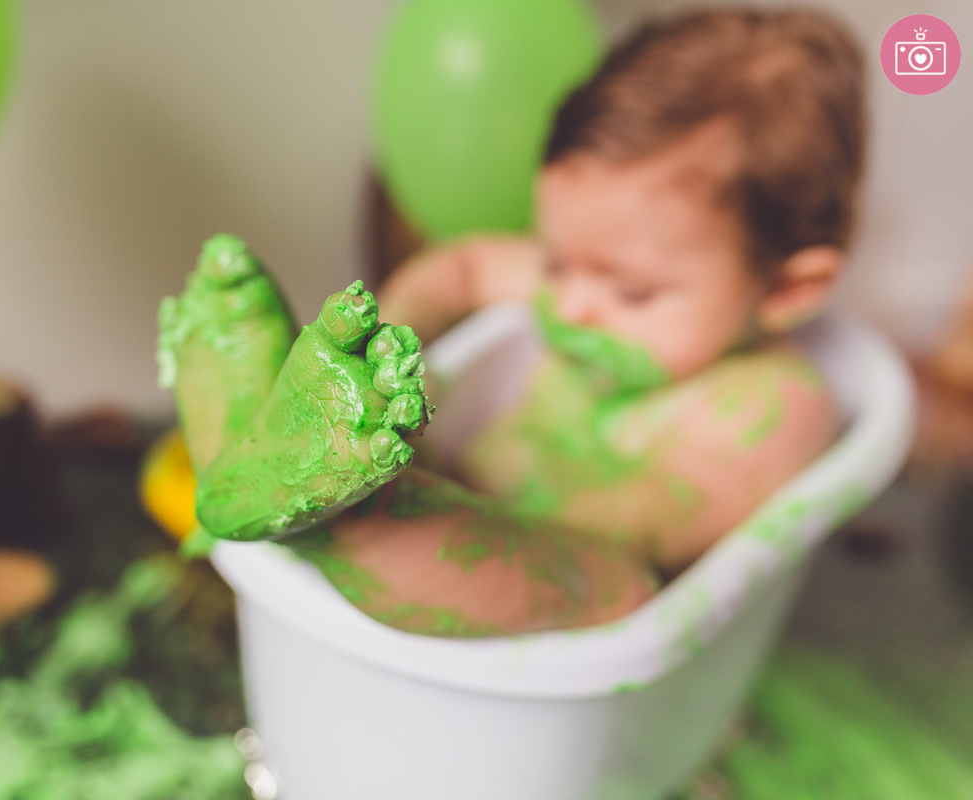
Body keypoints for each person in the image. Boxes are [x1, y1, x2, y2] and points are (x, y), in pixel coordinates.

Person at [158, 7, 864, 636]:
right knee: (393, 461)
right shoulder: (594, 275)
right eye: (554, 260)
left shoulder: (779, 403)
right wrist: (383, 346)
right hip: (435, 485)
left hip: (552, 583)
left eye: (633, 293)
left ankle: (343, 520)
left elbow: (650, 528)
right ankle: (278, 447)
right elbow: (464, 267)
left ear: (788, 288)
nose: (571, 302)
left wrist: (455, 505)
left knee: (613, 586)